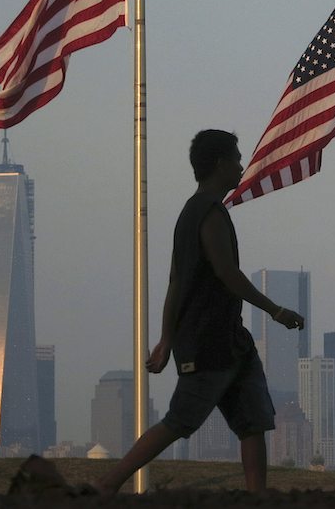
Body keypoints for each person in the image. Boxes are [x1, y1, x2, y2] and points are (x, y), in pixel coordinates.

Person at [95, 129, 305, 495]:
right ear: (221, 163)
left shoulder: (203, 211)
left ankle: (258, 499)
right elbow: (225, 274)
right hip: (207, 343)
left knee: (253, 423)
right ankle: (106, 485)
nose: (242, 165)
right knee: (180, 420)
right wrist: (275, 311)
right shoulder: (204, 212)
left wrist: (165, 338)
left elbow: (177, 281)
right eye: (237, 158)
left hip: (232, 341)